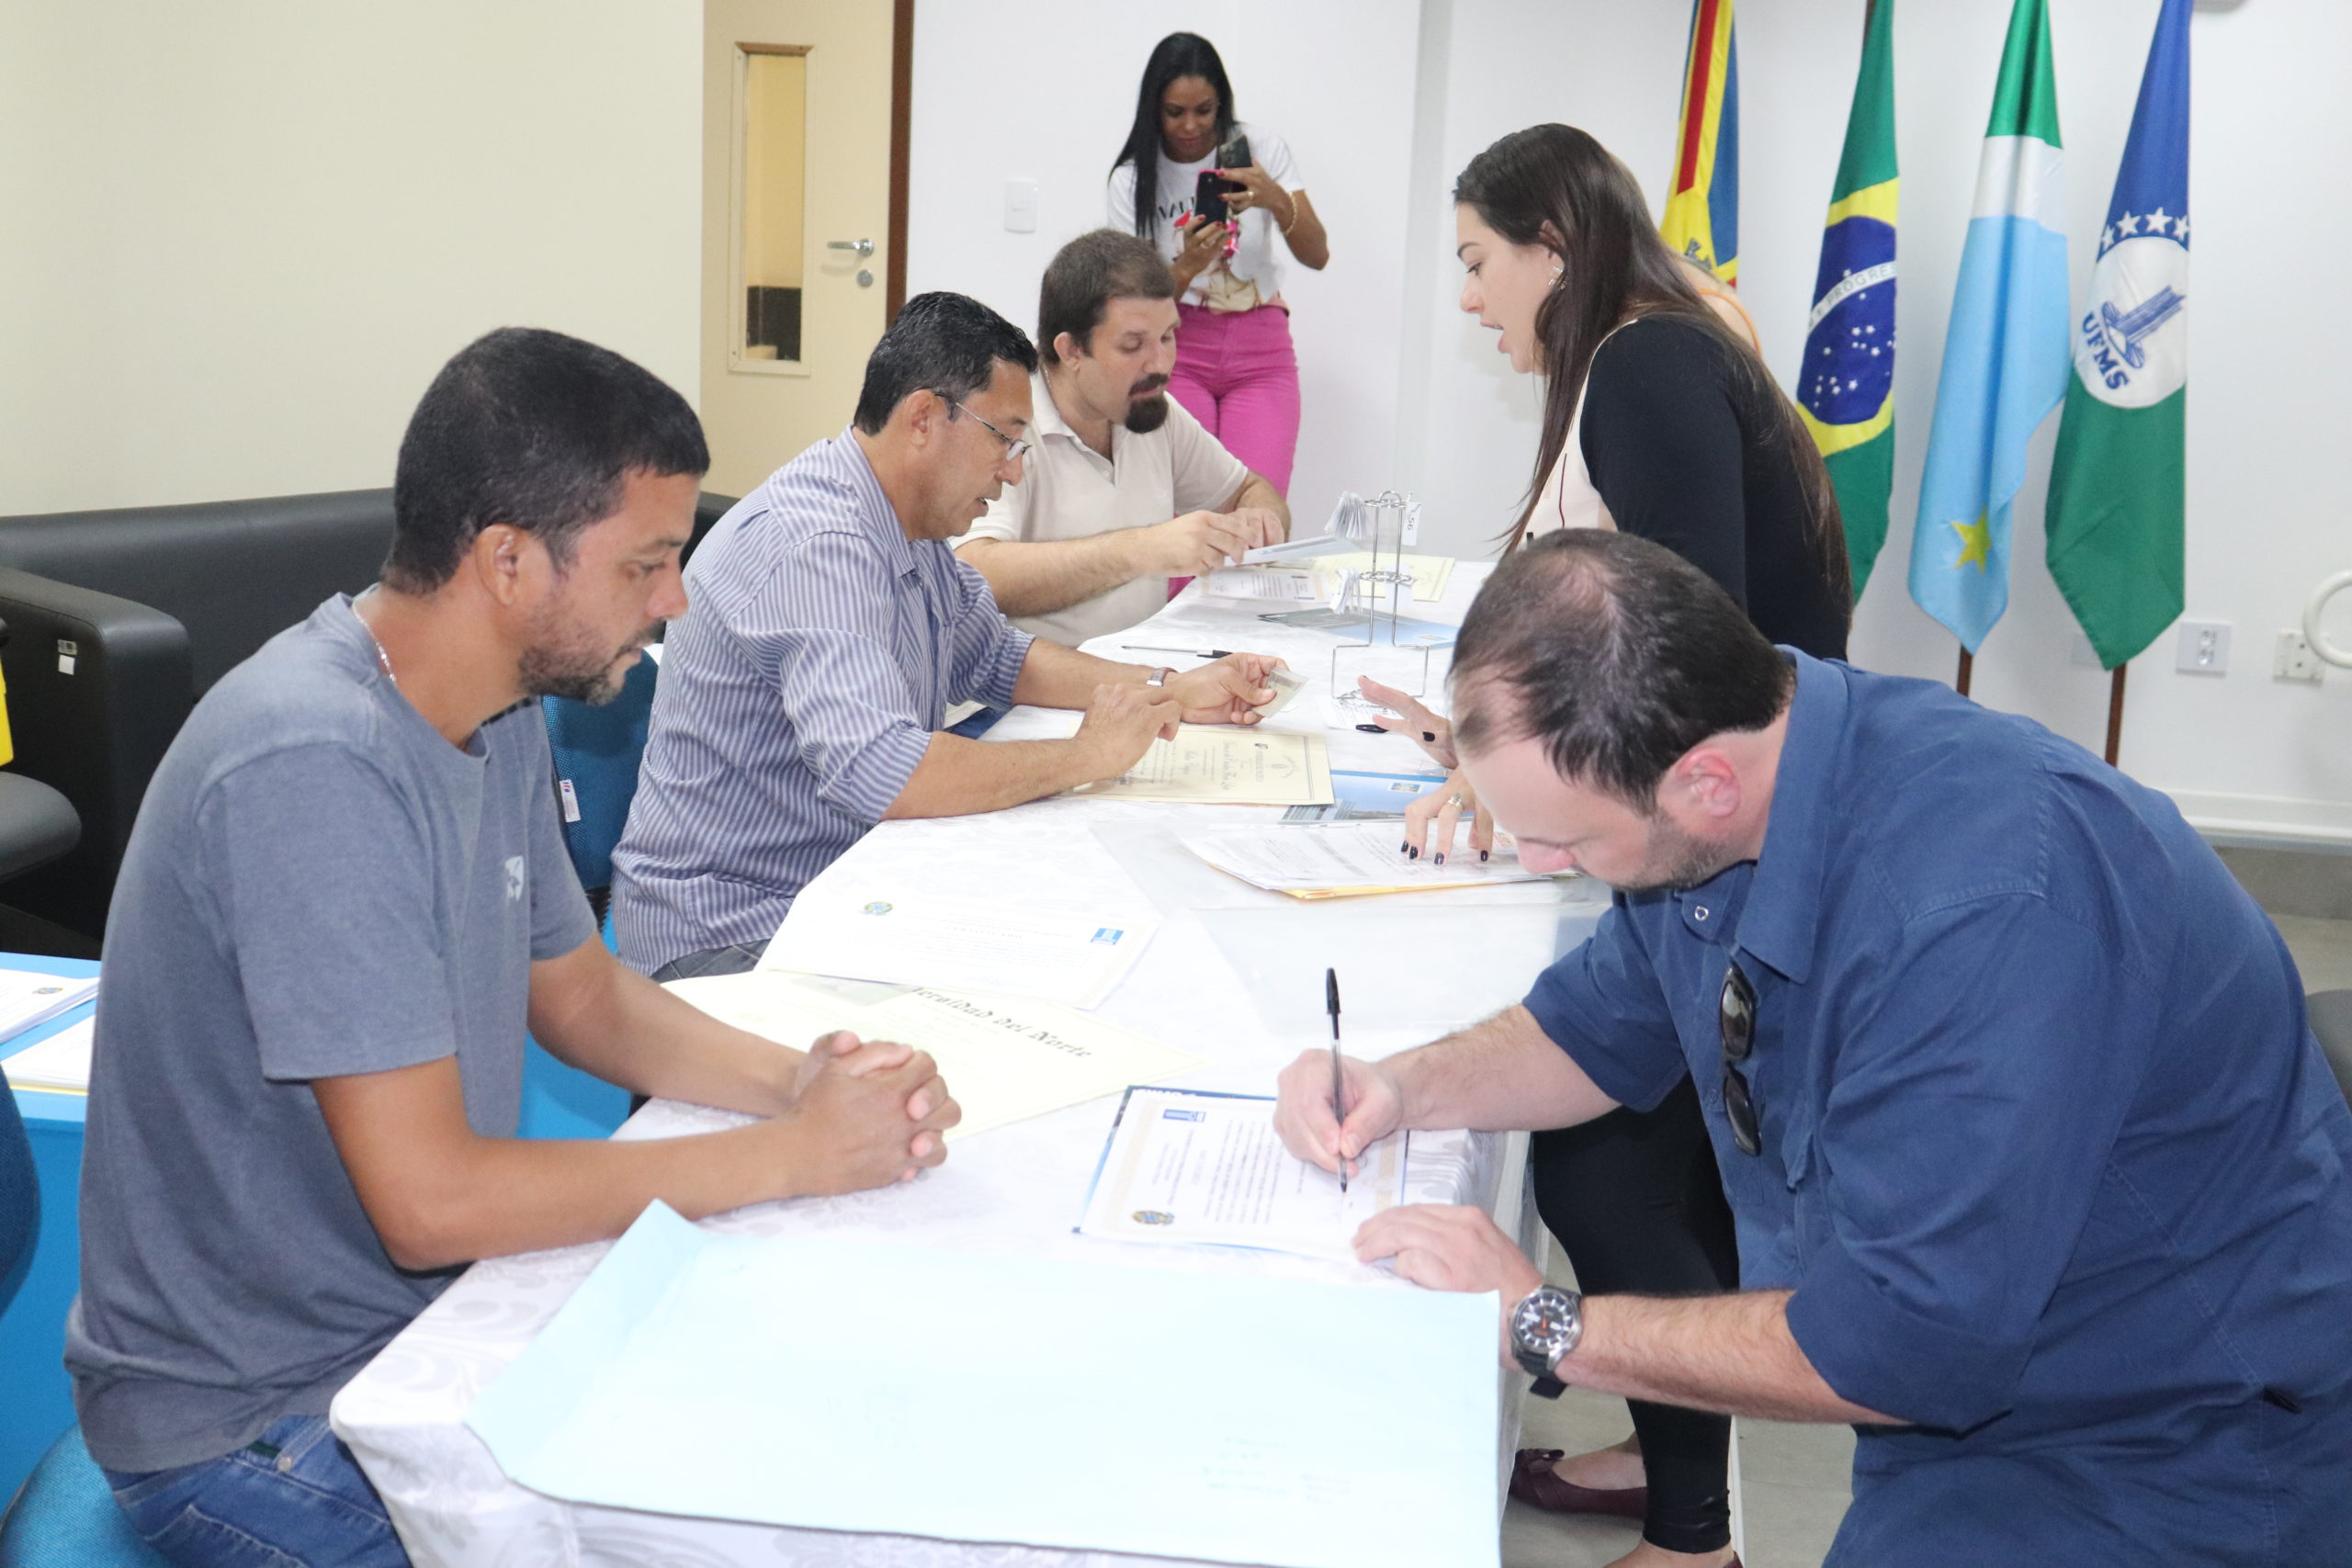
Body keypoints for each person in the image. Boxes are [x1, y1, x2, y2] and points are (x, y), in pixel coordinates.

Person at [1281, 530, 2352, 1568]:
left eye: (1567, 839)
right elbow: (1593, 1028)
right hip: (1981, 1387)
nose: (1536, 860)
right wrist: (1399, 1087)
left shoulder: (1977, 912)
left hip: (2180, 1445)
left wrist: (1545, 1324)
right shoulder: (1736, 778)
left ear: (1706, 782)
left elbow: (1901, 1345)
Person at [66, 328, 962, 1567]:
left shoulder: (495, 712)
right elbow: (431, 1203)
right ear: (507, 561)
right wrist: (792, 1154)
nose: (675, 599)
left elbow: (584, 996)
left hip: (411, 1334)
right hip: (253, 1424)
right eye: (646, 563)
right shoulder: (314, 762)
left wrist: (804, 1080)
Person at [1357, 121, 1851, 1568]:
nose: (1468, 297)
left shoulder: (1643, 363)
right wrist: (1481, 739)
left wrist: (1516, 776)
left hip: (1724, 834)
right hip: (1717, 812)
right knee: (1663, 1164)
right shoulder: (1648, 355)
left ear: (1553, 246)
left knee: (1607, 1169)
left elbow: (1681, 648)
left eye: (1477, 261)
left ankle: (1696, 1539)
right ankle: (1662, 1449)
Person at [612, 292, 1282, 982]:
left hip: (838, 886)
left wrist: (1170, 690)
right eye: (1005, 439)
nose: (1014, 469)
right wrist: (1086, 755)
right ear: (925, 418)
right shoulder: (818, 544)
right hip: (734, 929)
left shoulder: (908, 521)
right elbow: (888, 773)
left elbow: (1000, 658)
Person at [955, 229, 1290, 647]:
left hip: (1142, 670)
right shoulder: (1005, 421)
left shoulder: (1151, 409)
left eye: (1167, 336)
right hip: (1032, 682)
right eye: (1133, 345)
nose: (1161, 363)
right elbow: (975, 572)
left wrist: (1259, 521)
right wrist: (1142, 550)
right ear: (1071, 351)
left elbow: (1249, 490)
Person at [1108, 31, 1327, 499]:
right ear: (1154, 110)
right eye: (1174, 112)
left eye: (1204, 110)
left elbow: (1318, 255)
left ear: (1222, 103)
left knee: (1259, 509)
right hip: (1175, 348)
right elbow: (1133, 305)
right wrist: (1187, 265)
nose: (1190, 126)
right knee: (1185, 512)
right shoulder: (1131, 180)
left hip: (1260, 347)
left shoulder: (1260, 149)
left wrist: (1276, 199)